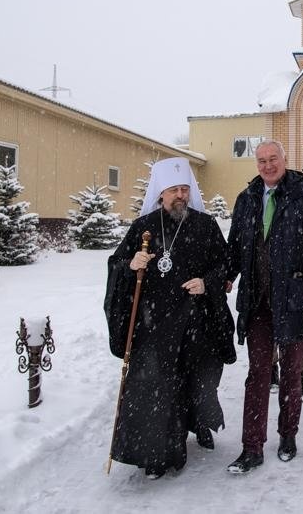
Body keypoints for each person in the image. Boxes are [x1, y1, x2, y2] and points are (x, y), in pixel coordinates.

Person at [104, 157, 236, 479]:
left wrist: (207, 283)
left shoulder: (205, 226)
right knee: (156, 389)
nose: (180, 195)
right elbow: (116, 264)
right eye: (173, 190)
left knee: (199, 382)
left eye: (184, 189)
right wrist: (130, 264)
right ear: (161, 194)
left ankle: (199, 423)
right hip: (154, 325)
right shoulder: (143, 227)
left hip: (195, 322)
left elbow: (225, 265)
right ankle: (156, 452)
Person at [225, 140, 303, 473]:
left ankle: (288, 436)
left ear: (285, 159)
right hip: (257, 300)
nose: (268, 165)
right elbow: (235, 246)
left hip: (294, 299)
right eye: (262, 160)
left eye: (273, 159)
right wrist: (227, 276)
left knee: (291, 372)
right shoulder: (246, 200)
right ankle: (251, 447)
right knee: (257, 373)